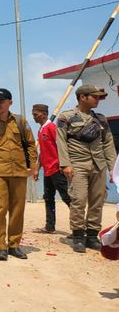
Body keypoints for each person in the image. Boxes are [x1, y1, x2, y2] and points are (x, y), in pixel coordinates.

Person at [0, 88, 37, 261]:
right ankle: (1, 246)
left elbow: (31, 144)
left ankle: (14, 245)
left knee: (18, 210)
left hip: (19, 171)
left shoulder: (20, 121)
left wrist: (33, 166)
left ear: (10, 103)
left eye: (1, 101)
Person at [56, 84, 117, 252]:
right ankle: (78, 236)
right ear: (83, 97)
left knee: (98, 201)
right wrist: (65, 164)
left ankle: (91, 236)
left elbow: (108, 144)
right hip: (77, 165)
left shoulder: (101, 119)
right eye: (94, 96)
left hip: (99, 165)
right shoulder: (66, 117)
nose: (97, 99)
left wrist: (113, 168)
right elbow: (61, 142)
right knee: (78, 200)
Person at [31, 103, 71, 233]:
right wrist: (37, 168)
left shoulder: (52, 128)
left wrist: (64, 165)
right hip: (47, 170)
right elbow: (43, 152)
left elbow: (62, 147)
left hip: (57, 169)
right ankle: (50, 226)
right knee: (48, 197)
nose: (33, 117)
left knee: (67, 197)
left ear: (43, 114)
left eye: (35, 114)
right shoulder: (41, 130)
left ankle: (80, 227)